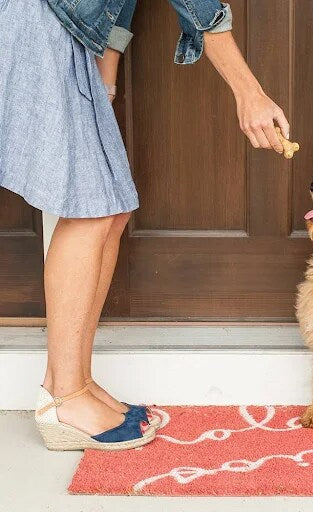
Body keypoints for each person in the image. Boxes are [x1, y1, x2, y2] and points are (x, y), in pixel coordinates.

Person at [0, 0, 290, 450]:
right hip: (41, 23)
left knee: (111, 210)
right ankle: (65, 400)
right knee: (91, 210)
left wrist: (108, 74)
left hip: (69, 29)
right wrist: (247, 90)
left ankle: (72, 382)